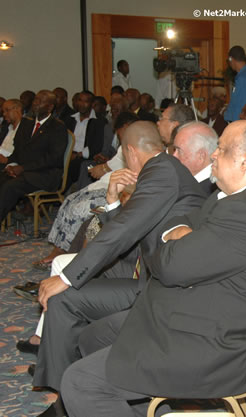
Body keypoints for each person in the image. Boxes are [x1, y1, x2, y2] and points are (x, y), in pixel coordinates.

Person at [60, 120, 246, 417]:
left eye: (221, 149)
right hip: (196, 313)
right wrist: (179, 234)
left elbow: (168, 265)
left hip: (213, 346)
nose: (212, 155)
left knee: (81, 382)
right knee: (91, 337)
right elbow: (182, 220)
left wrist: (175, 237)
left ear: (245, 160)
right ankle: (148, 407)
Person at [22, 121, 207, 417]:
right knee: (63, 299)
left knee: (64, 293)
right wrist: (111, 201)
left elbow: (125, 230)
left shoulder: (161, 171)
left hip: (166, 292)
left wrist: (67, 276)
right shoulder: (164, 170)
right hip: (151, 282)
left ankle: (69, 402)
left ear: (130, 152)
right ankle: (67, 399)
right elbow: (131, 229)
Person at [29, 112, 139, 271]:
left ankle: (70, 257)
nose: (120, 137)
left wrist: (103, 170)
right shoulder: (126, 146)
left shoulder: (138, 149)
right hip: (109, 190)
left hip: (116, 200)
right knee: (69, 201)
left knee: (82, 211)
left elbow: (112, 172)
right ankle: (59, 250)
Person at [0, 90, 67, 224]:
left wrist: (23, 168)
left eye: (40, 101)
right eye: (35, 100)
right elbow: (17, 151)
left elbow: (53, 158)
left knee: (10, 187)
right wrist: (11, 166)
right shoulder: (26, 124)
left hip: (45, 175)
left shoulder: (57, 127)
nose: (35, 104)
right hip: (24, 172)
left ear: (50, 107)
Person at [66, 91, 106, 187]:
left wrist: (77, 155)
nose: (82, 104)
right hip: (68, 154)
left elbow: (97, 145)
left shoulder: (99, 121)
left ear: (92, 104)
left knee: (75, 166)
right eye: (80, 100)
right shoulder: (70, 119)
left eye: (86, 101)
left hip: (84, 157)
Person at [171, 121, 219, 195]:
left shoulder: (204, 193)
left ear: (201, 156)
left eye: (179, 151)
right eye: (174, 150)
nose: (174, 155)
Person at [224, 46, 246, 122]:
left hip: (240, 123)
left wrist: (231, 120)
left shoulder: (243, 78)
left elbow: (240, 107)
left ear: (231, 59)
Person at [0, 99, 23, 163]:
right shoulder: (6, 127)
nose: (4, 114)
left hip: (11, 163)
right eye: (3, 111)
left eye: (7, 110)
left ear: (18, 109)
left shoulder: (26, 129)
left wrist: (7, 160)